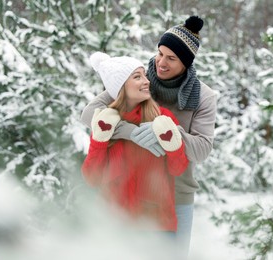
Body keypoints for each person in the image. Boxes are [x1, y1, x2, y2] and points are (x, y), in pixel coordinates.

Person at [81, 15, 217, 257]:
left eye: (171, 58)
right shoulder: (138, 79)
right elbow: (90, 114)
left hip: (177, 193)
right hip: (131, 189)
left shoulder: (203, 97)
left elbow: (202, 149)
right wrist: (131, 132)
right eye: (160, 53)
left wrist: (165, 133)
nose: (161, 63)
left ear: (186, 62)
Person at [81, 52, 189, 233]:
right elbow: (92, 177)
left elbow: (178, 169)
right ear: (121, 86)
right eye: (137, 77)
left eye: (145, 76)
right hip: (115, 227)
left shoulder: (162, 118)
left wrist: (173, 144)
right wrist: (99, 139)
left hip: (156, 227)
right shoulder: (106, 122)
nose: (147, 81)